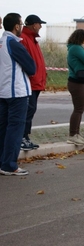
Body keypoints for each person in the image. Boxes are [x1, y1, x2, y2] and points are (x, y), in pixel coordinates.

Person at [0, 13, 36, 176]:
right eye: (21, 24)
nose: (21, 27)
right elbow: (31, 67)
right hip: (17, 92)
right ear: (16, 26)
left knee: (4, 128)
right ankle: (9, 164)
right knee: (15, 128)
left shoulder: (1, 42)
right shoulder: (13, 43)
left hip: (3, 91)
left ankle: (3, 161)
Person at [20, 14, 47, 151]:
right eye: (39, 24)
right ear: (33, 24)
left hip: (35, 82)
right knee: (27, 110)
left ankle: (26, 136)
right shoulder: (24, 39)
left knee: (31, 109)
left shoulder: (32, 39)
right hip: (30, 82)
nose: (41, 26)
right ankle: (22, 137)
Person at [66, 29, 84, 146]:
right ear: (81, 38)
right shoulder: (76, 48)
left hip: (79, 81)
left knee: (80, 109)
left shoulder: (73, 48)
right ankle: (73, 134)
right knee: (79, 109)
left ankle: (76, 134)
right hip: (77, 82)